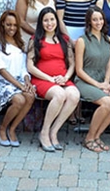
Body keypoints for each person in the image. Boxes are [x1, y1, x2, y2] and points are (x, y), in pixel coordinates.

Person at [27, 8, 80, 152]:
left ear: (57, 21)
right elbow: (30, 66)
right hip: (42, 80)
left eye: (52, 19)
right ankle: (44, 132)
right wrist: (50, 78)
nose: (49, 23)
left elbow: (72, 63)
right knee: (59, 95)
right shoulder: (35, 39)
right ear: (41, 22)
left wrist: (66, 77)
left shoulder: (64, 39)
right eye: (45, 20)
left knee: (74, 95)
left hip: (62, 79)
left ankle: (54, 131)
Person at [75, 6, 110, 153]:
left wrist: (106, 82)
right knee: (107, 102)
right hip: (85, 81)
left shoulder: (107, 40)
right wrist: (98, 85)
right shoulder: (82, 41)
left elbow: (108, 66)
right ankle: (89, 138)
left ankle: (97, 136)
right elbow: (79, 70)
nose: (98, 22)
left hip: (102, 80)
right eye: (95, 19)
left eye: (101, 19)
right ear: (89, 21)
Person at [0, 11, 35, 147]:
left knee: (30, 96)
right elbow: (1, 70)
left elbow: (23, 67)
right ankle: (2, 128)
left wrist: (27, 81)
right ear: (2, 24)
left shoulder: (20, 42)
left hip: (19, 80)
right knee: (19, 100)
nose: (11, 28)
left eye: (14, 25)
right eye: (8, 24)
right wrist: (20, 86)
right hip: (1, 82)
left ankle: (12, 129)